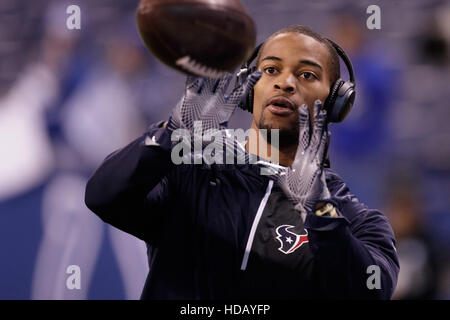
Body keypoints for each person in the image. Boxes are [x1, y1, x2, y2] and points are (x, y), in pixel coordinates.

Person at [85, 25, 399, 299]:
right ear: (251, 90)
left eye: (307, 74)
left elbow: (370, 290)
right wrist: (173, 135)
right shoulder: (191, 174)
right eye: (272, 70)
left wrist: (318, 210)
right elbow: (104, 196)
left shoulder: (355, 219)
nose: (285, 83)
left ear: (336, 102)